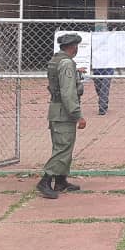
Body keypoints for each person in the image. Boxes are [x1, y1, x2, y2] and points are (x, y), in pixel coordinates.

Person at [38, 33, 88, 199]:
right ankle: (45, 181)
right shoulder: (66, 63)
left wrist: (75, 71)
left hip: (57, 110)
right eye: (76, 46)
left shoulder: (57, 60)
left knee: (63, 146)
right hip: (64, 112)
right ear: (72, 47)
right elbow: (68, 93)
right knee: (62, 148)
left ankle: (60, 180)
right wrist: (77, 115)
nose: (77, 49)